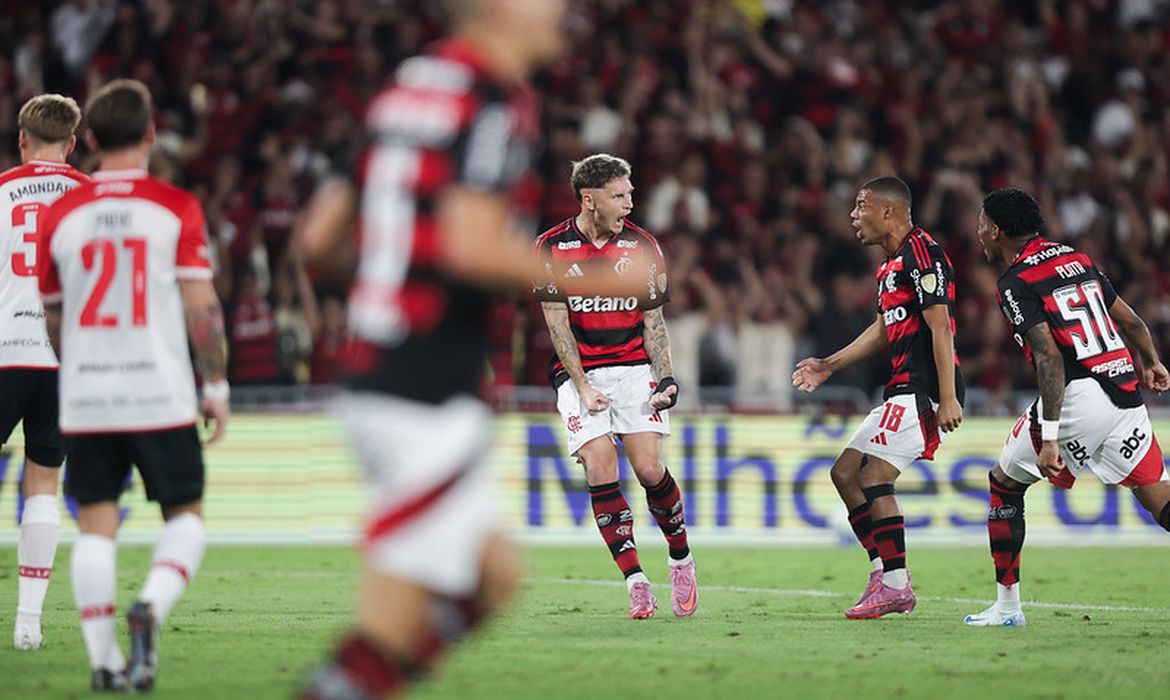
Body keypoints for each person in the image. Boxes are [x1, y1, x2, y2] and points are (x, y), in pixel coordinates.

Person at [294, 2, 638, 697]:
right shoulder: (494, 99)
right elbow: (470, 245)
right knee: (387, 627)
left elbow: (318, 239)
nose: (561, 13)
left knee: (494, 576)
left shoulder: (408, 85)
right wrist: (598, 276)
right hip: (424, 381)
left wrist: (389, 281)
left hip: (374, 367)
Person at [37, 79, 229, 692]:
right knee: (187, 517)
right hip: (160, 392)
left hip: (88, 397)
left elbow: (53, 315)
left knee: (95, 525)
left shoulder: (61, 213)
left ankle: (103, 663)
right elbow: (203, 311)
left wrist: (79, 370)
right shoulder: (176, 207)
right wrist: (217, 384)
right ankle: (150, 604)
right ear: (150, 134)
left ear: (88, 140)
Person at [964, 187, 1170, 627]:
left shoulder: (1015, 281)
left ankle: (1007, 608)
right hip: (1125, 390)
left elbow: (1048, 356)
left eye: (982, 223)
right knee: (1161, 503)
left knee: (1004, 484)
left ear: (997, 230)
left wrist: (1051, 438)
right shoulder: (1076, 258)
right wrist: (1151, 360)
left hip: (1081, 397)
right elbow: (1129, 319)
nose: (978, 232)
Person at [533, 153, 697, 620]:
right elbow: (557, 326)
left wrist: (665, 378)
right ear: (590, 199)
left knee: (648, 469)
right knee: (601, 466)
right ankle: (636, 581)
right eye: (620, 195)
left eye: (630, 193)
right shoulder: (550, 247)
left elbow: (655, 323)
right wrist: (582, 386)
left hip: (632, 368)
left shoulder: (643, 246)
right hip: (579, 371)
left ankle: (681, 558)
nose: (631, 202)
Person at [792, 176, 964, 619]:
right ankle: (882, 570)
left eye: (860, 205)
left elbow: (941, 326)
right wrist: (830, 364)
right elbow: (885, 328)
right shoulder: (890, 265)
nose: (853, 215)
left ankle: (896, 584)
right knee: (845, 473)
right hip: (901, 386)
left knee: (873, 478)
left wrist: (947, 397)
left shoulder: (923, 252)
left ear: (888, 212)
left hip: (923, 387)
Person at [0, 93, 88, 651]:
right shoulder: (89, 197)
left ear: (22, 139)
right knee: (43, 486)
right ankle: (27, 624)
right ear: (73, 144)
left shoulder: (2, 191)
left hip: (4, 351)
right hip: (61, 359)